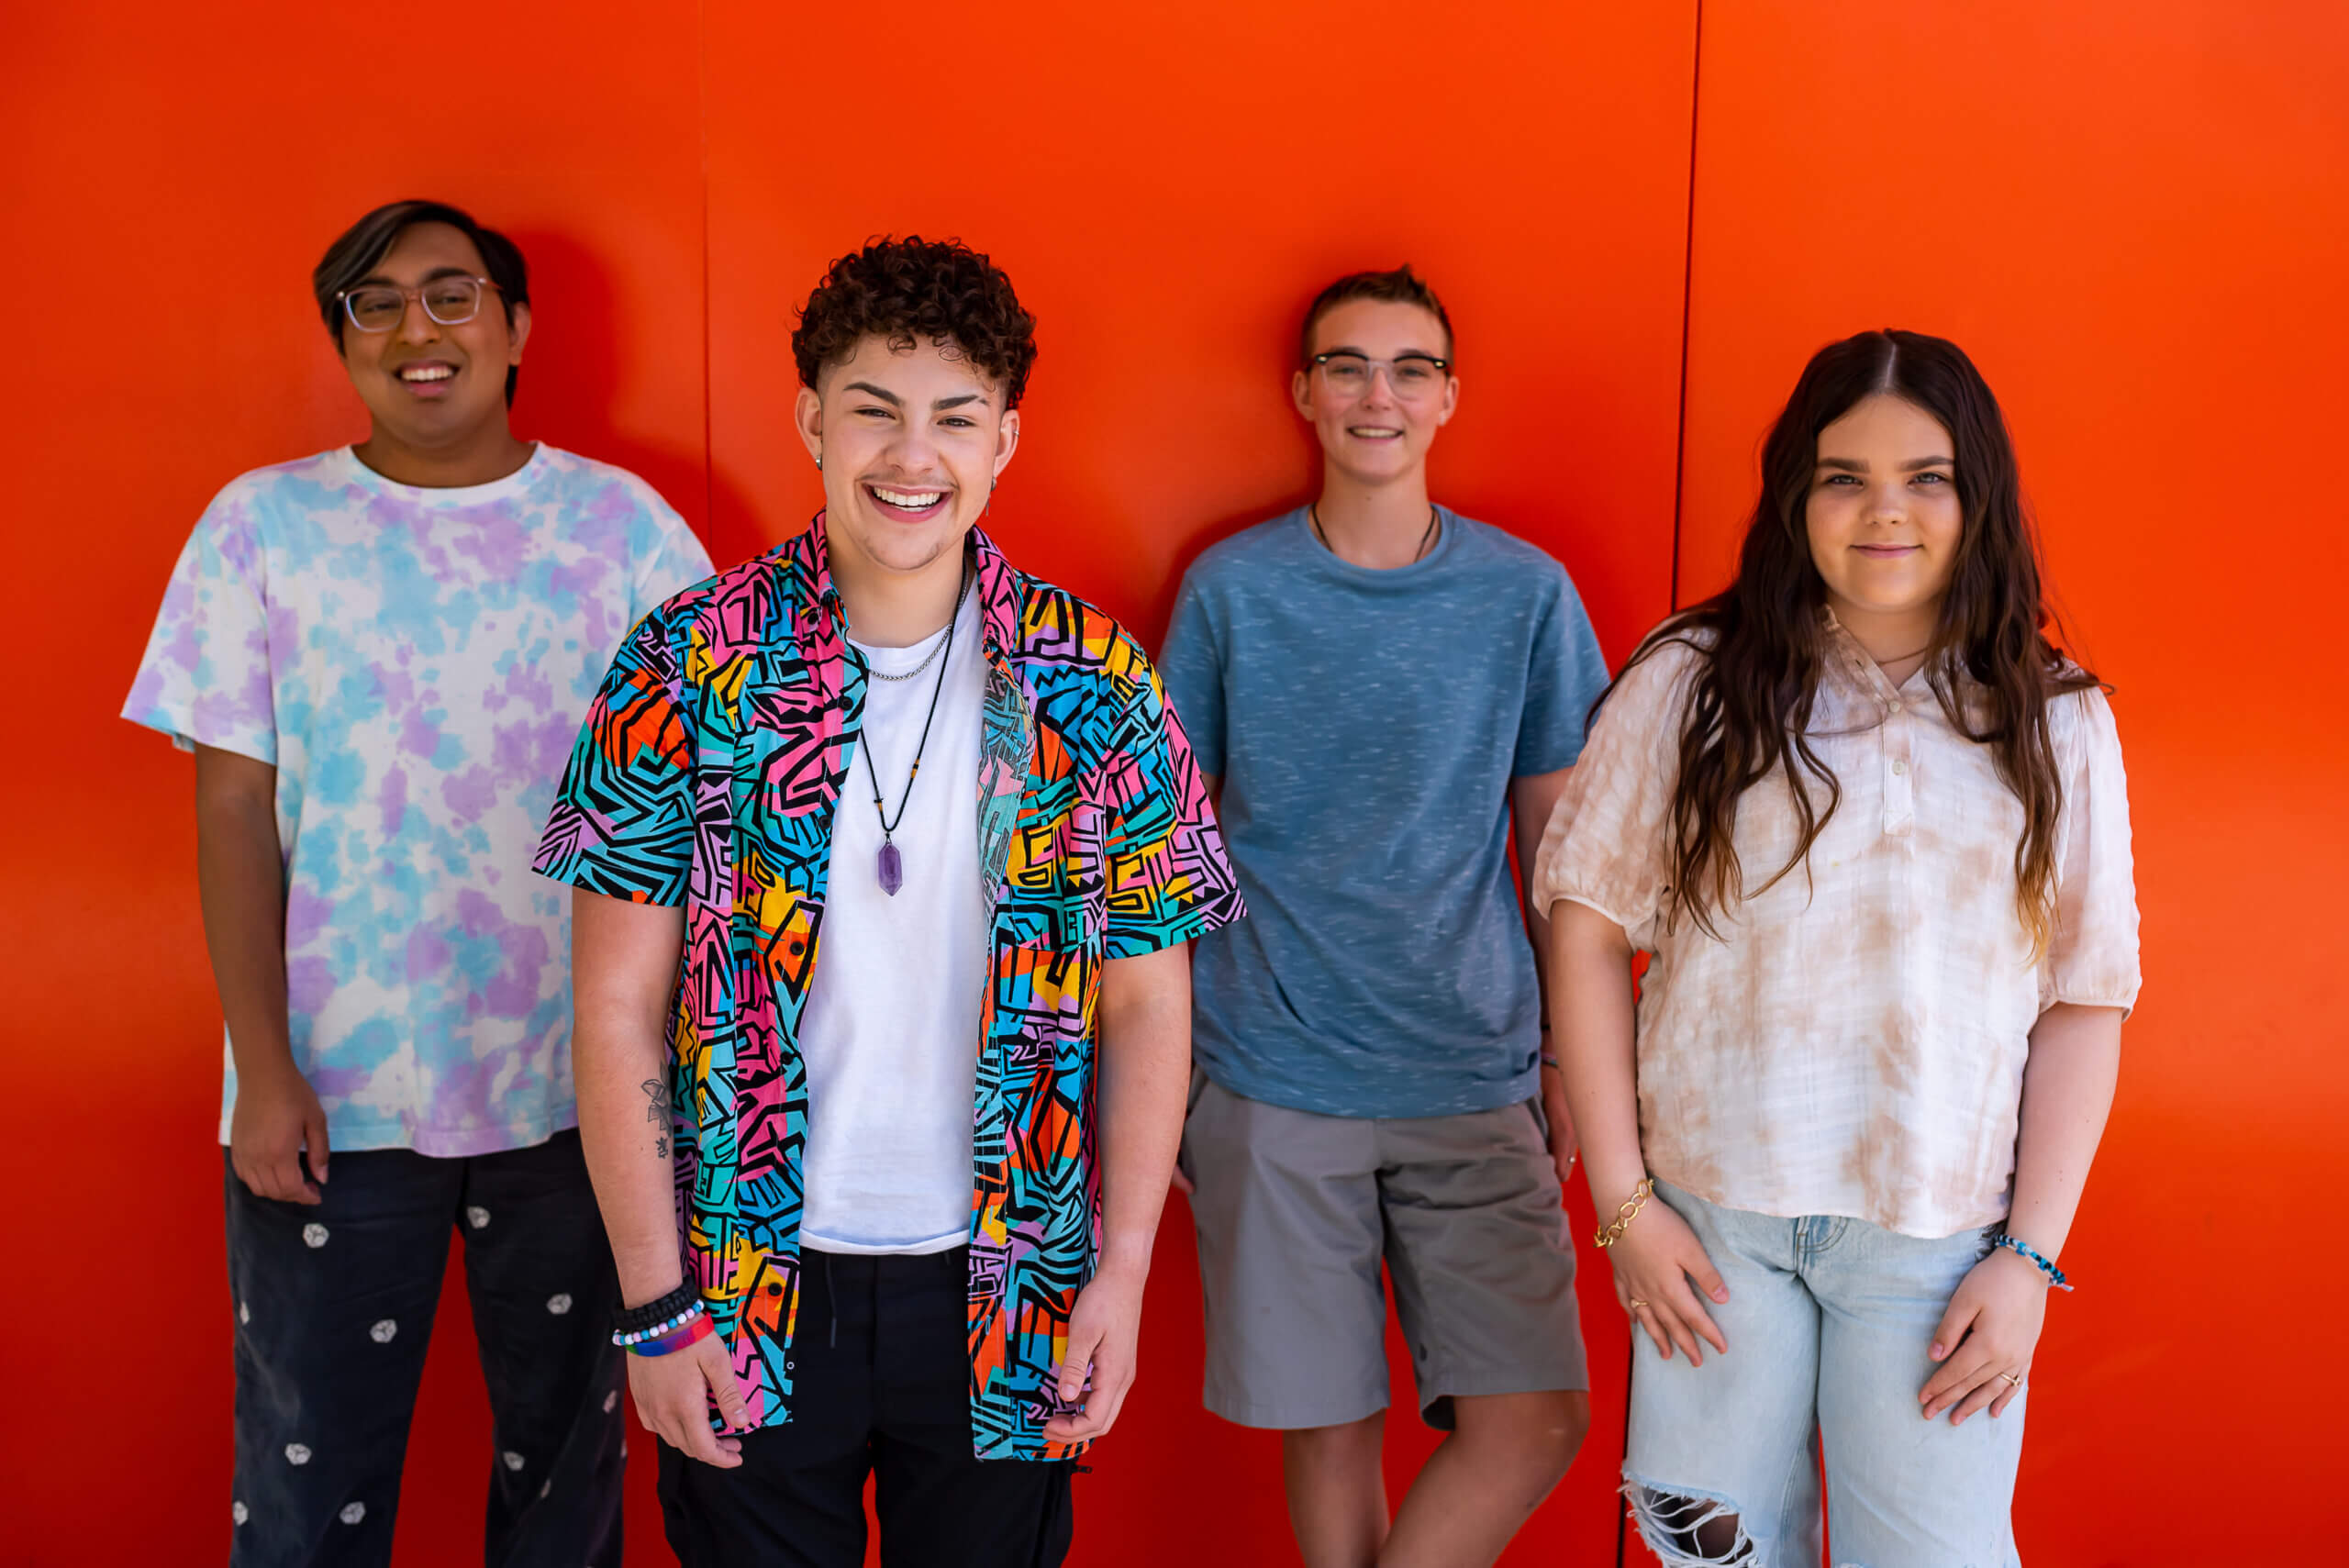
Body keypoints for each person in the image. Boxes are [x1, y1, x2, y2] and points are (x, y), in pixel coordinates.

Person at [534, 235, 1244, 1567]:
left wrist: (1125, 1274)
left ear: (1004, 440)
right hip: (746, 1277)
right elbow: (616, 1002)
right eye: (873, 407)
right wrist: (654, 1306)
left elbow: (1151, 998)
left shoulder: (1093, 679)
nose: (911, 455)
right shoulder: (688, 660)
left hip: (1012, 1279)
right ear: (809, 418)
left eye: (954, 418)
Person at [123, 197, 715, 1566]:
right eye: (373, 303)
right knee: (306, 1479)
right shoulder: (261, 527)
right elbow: (229, 809)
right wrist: (262, 1067)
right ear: (344, 339)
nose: (415, 329)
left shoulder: (622, 529)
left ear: (515, 327)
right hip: (334, 1097)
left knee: (567, 1481)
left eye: (451, 295)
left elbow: (709, 807)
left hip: (578, 1096)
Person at [1535, 329, 2139, 1566]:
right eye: (1843, 475)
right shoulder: (1691, 681)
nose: (1885, 511)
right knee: (1712, 1556)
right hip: (1711, 1230)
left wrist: (2029, 1258)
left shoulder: (2055, 715)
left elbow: (2086, 998)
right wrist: (1624, 1203)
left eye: (1925, 476)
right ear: (1793, 495)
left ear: (1978, 497)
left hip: (1938, 1244)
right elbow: (1587, 924)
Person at [1157, 265, 1604, 1568]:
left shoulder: (1525, 595)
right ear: (1304, 392)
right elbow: (1160, 849)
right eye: (1348, 365)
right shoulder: (1232, 590)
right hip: (1273, 1068)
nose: (1377, 394)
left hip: (1472, 1069)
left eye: (1410, 368)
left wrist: (1574, 1058)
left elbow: (1564, 861)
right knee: (1330, 1421)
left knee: (1535, 1417)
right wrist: (1170, 1071)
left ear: (1449, 397)